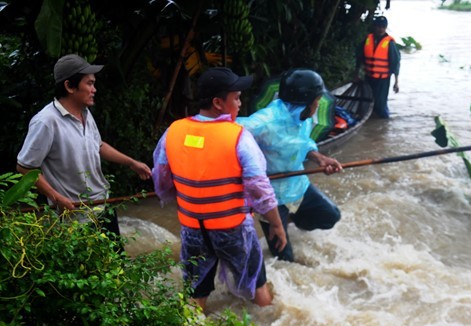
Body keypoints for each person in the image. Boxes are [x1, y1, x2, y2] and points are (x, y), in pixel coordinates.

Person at [152, 67, 287, 310]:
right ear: (218, 103)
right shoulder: (238, 136)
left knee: (196, 294)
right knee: (259, 290)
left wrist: (186, 197)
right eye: (235, 97)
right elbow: (259, 189)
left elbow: (161, 180)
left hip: (193, 229)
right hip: (232, 229)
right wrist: (276, 224)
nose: (240, 103)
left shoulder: (174, 131)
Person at [16, 54, 152, 240]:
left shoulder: (85, 113)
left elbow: (99, 146)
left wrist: (131, 162)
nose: (94, 89)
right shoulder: (45, 122)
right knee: (85, 268)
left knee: (116, 266)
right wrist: (56, 197)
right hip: (73, 216)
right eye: (89, 83)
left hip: (102, 204)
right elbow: (25, 167)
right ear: (70, 86)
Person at [237, 68, 342, 263]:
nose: (318, 105)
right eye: (317, 100)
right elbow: (229, 134)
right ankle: (278, 224)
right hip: (271, 199)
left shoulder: (304, 116)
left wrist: (319, 158)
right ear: (307, 101)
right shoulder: (264, 122)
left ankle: (292, 221)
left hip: (298, 185)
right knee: (285, 260)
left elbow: (303, 142)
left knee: (330, 216)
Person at [355, 15, 401, 119]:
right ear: (374, 27)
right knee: (367, 102)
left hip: (382, 80)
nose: (380, 29)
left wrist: (396, 82)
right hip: (369, 77)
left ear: (385, 28)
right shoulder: (367, 39)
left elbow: (395, 63)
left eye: (383, 27)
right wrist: (356, 74)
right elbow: (359, 57)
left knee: (380, 105)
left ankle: (384, 123)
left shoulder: (390, 43)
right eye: (379, 26)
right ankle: (372, 125)